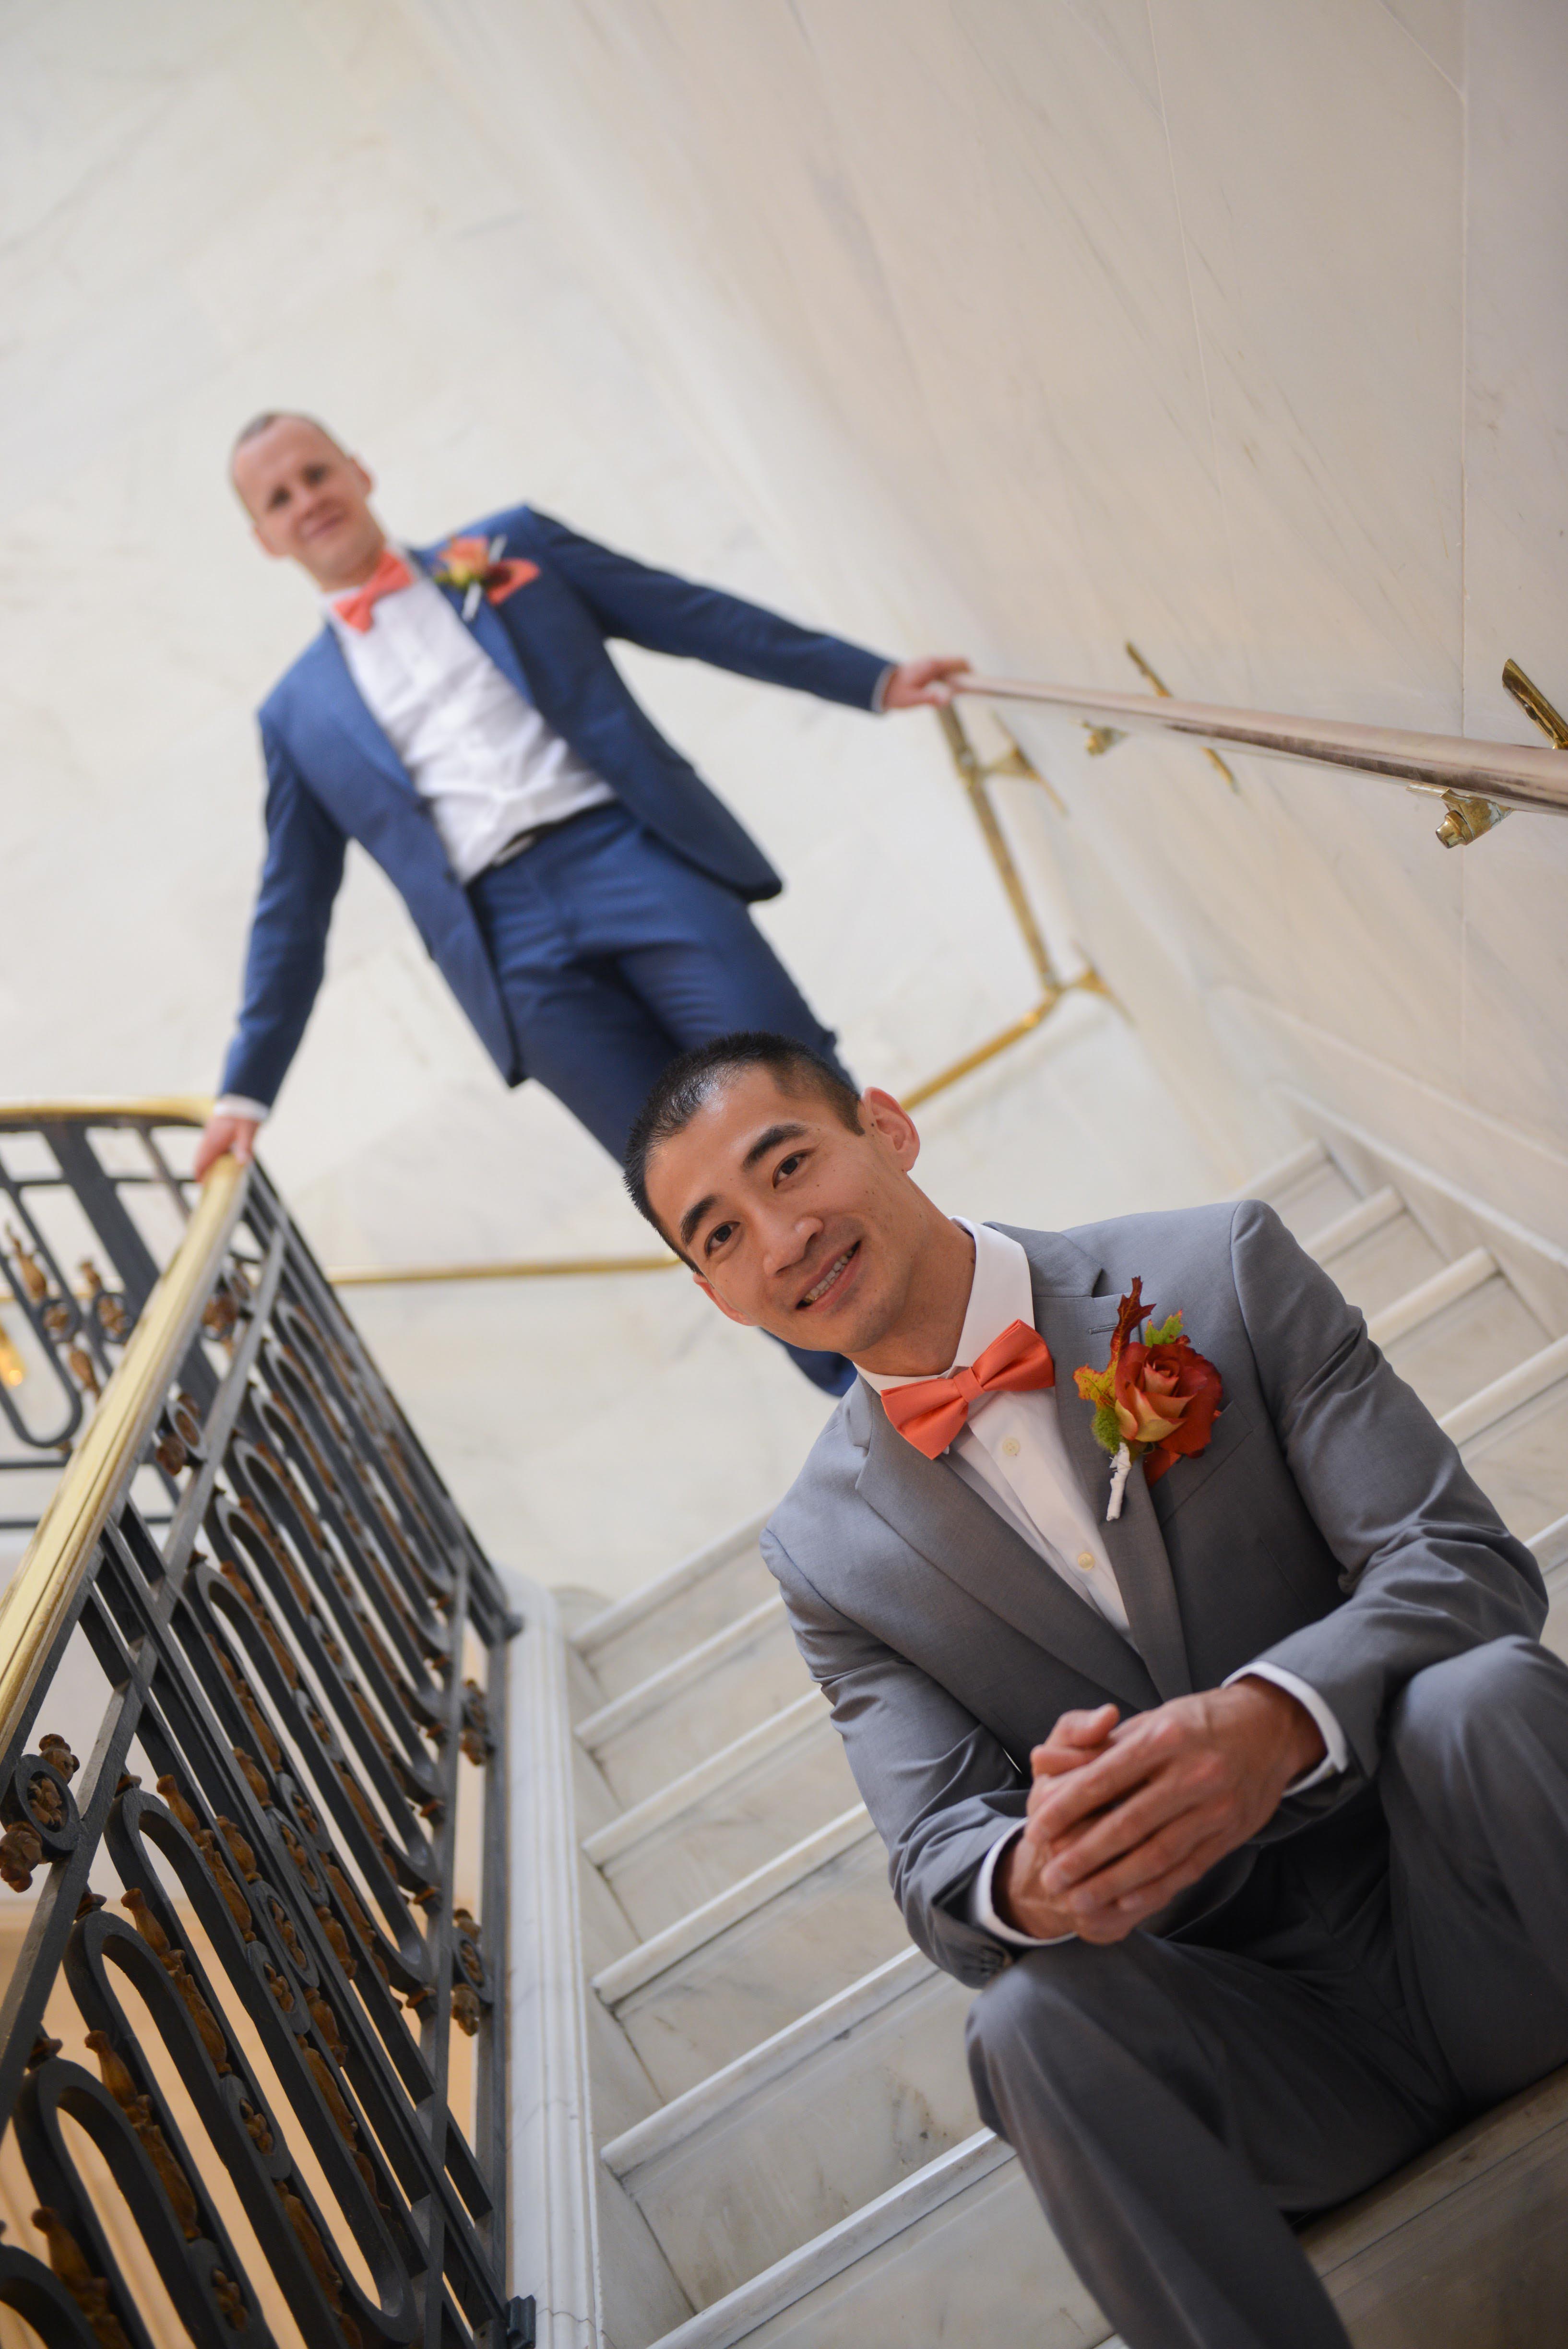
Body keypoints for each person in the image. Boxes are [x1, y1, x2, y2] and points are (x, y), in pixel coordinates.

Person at [623, 1030, 1568, 2349]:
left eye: (788, 1168)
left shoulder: (1214, 1269)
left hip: (1490, 1916)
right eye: (717, 1237)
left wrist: (1269, 1720)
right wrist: (1037, 1877)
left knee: (1489, 1698)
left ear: (886, 1128)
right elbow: (938, 1861)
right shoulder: (822, 1555)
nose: (778, 1241)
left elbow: (1457, 1561)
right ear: (717, 1296)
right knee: (1020, 2023)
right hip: (1273, 2060)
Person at [196, 412, 968, 1392]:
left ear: (359, 468)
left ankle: (958, 1320)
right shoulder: (294, 714)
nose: (307, 500)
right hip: (506, 946)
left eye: (316, 472)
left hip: (628, 852)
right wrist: (244, 1091)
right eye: (279, 497)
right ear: (263, 537)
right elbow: (290, 909)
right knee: (689, 1190)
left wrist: (867, 679)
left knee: (796, 1086)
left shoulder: (512, 548)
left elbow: (687, 614)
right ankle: (884, 1411)